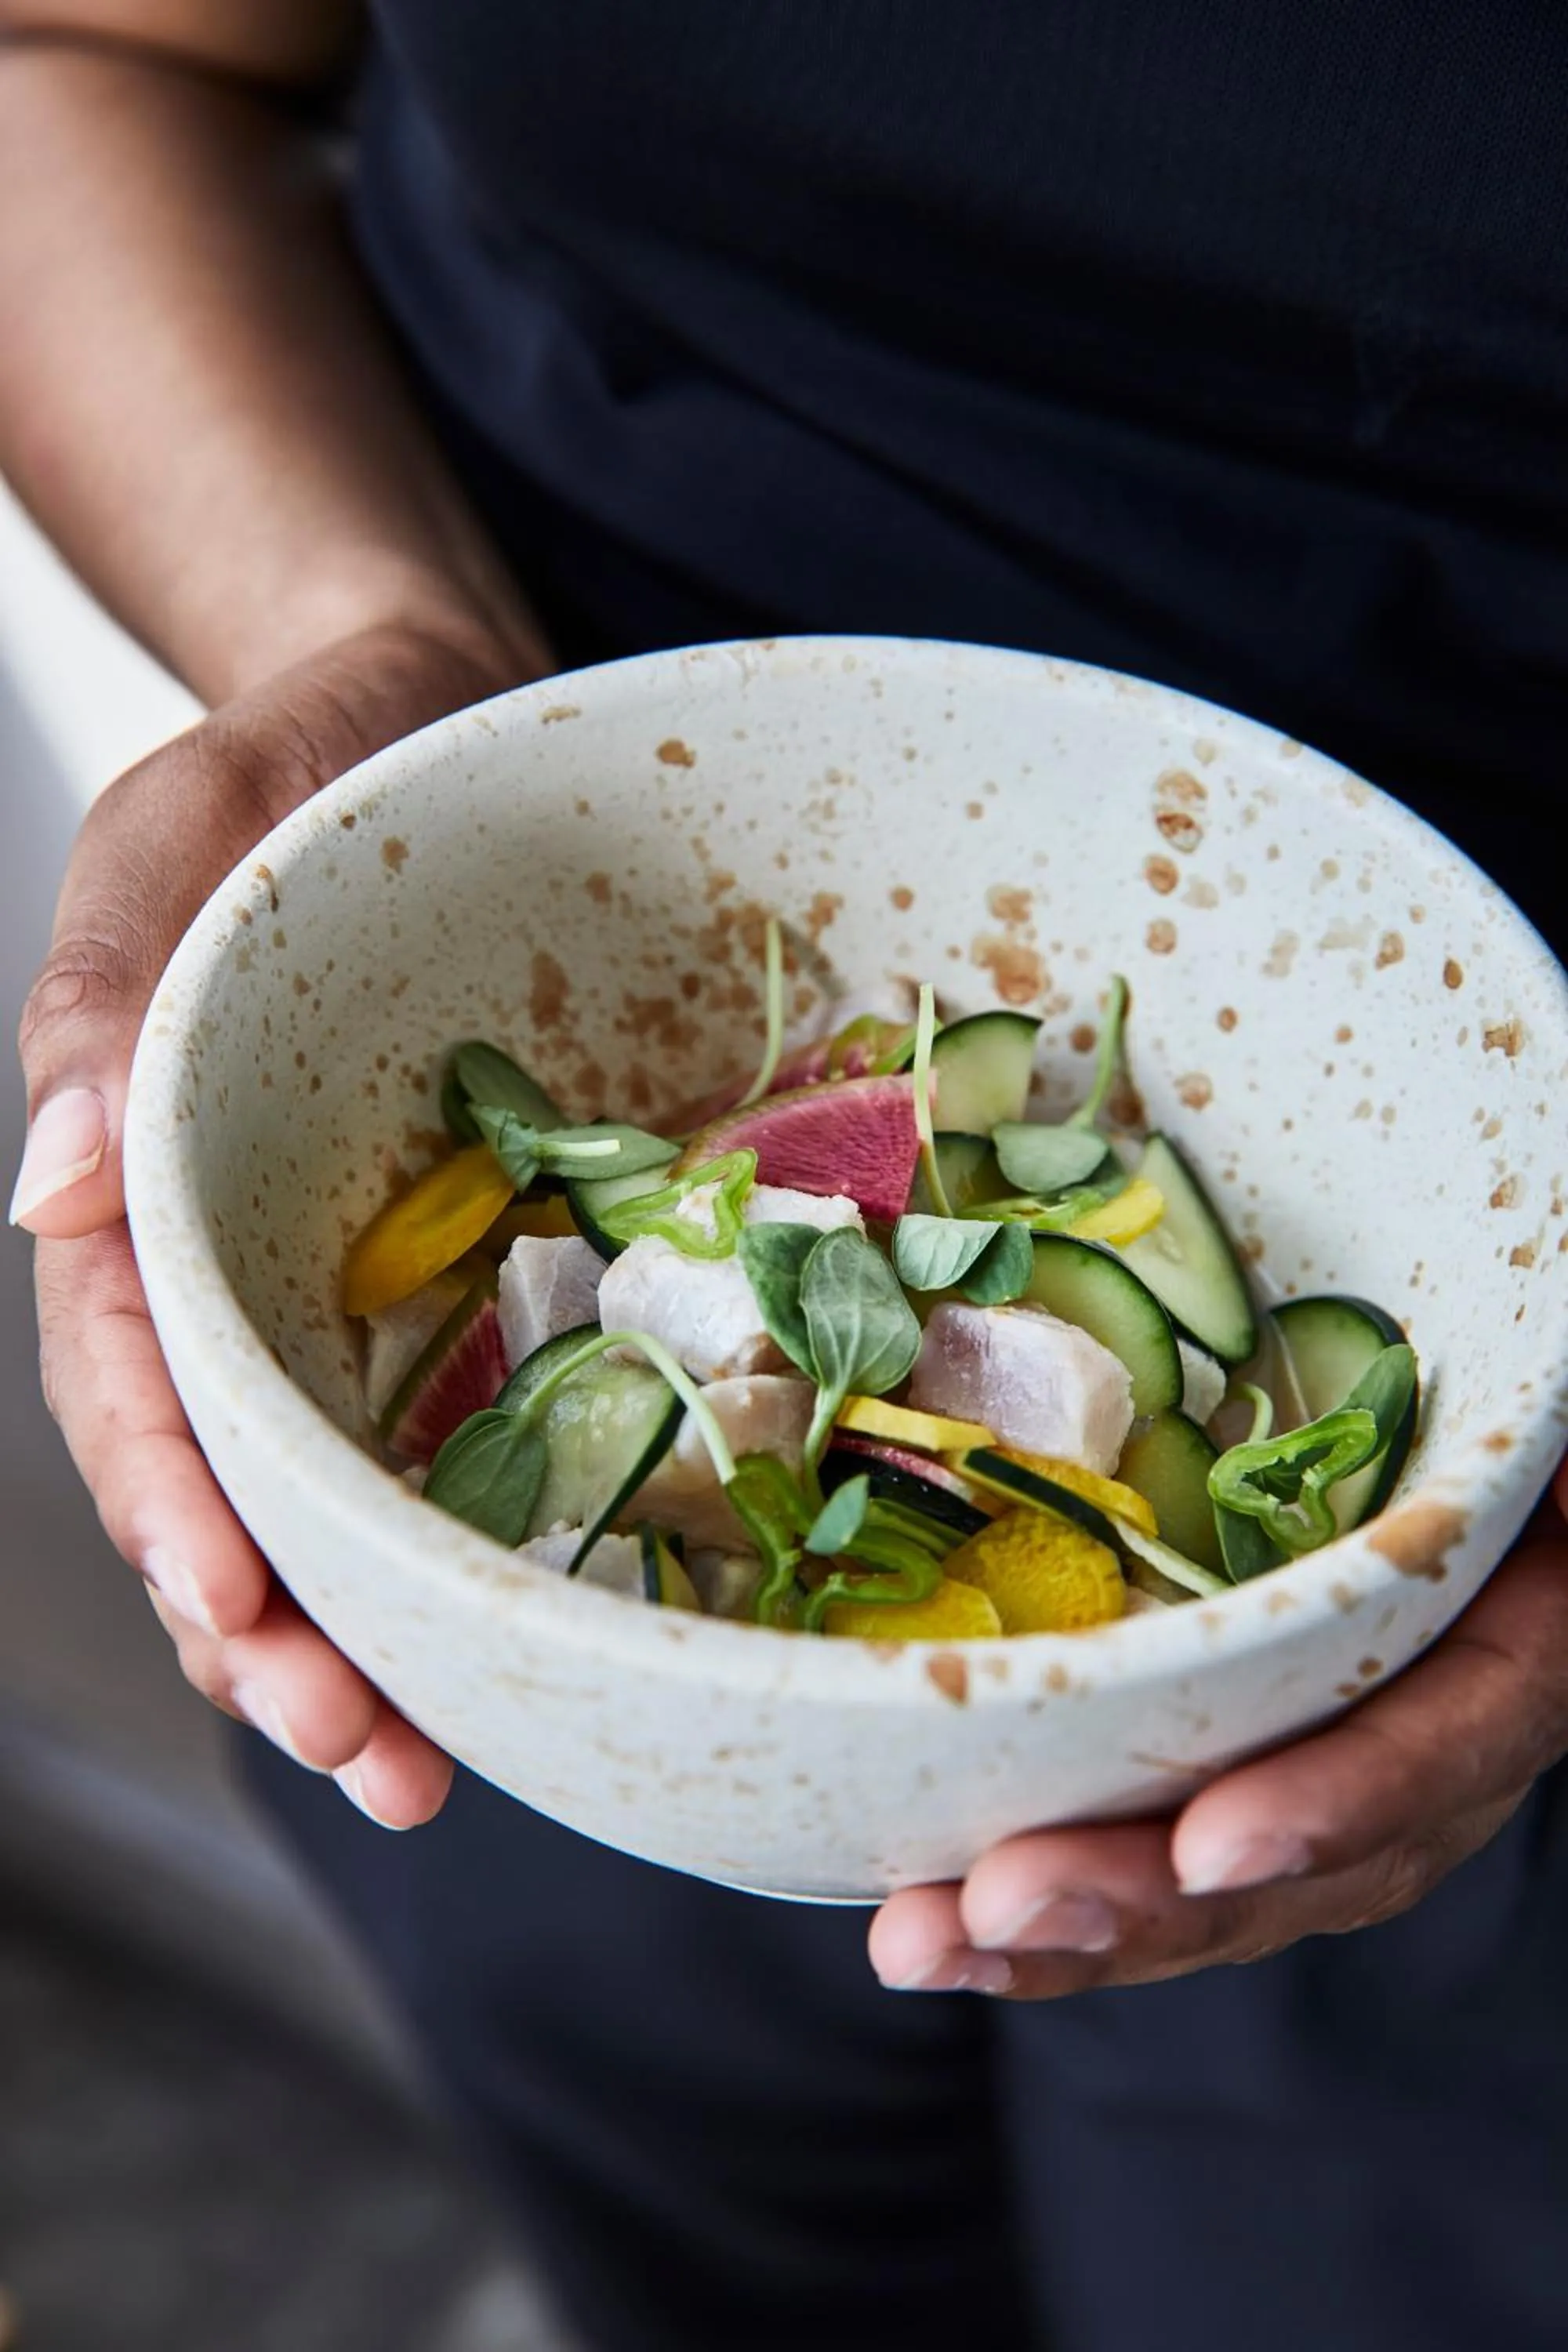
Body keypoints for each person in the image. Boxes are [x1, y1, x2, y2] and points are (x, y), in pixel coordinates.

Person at [5, 5, 1567, 2347]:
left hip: (1486, 1383)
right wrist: (362, 653)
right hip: (510, 1508)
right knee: (694, 2244)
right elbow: (83, 55)